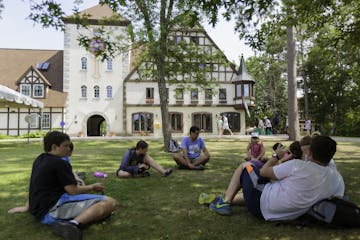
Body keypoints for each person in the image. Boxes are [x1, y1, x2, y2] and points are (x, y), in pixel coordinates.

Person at [209, 136, 344, 221]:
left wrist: (276, 156)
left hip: (261, 204)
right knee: (262, 186)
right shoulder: (337, 180)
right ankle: (227, 198)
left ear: (310, 152)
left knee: (246, 166)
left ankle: (224, 203)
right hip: (287, 214)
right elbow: (336, 200)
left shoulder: (298, 166)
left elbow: (263, 172)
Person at [27, 131, 117, 240]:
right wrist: (92, 187)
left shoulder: (40, 159)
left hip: (39, 211)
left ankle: (77, 219)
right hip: (52, 210)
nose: (69, 149)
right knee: (109, 202)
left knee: (102, 212)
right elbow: (73, 191)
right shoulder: (59, 163)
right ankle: (72, 224)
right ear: (54, 147)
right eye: (65, 146)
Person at [8, 141, 85, 214]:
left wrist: (76, 178)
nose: (69, 155)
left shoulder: (63, 159)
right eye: (68, 152)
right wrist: (27, 207)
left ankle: (79, 176)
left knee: (78, 183)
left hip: (63, 184)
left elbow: (70, 171)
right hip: (49, 202)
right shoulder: (55, 161)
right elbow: (37, 187)